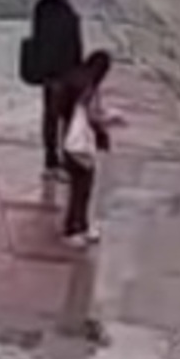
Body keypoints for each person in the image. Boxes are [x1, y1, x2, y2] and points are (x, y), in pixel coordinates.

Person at [59, 51, 112, 245]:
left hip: (68, 141)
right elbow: (91, 115)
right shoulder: (89, 87)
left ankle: (77, 226)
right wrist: (108, 124)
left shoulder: (74, 79)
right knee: (83, 188)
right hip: (81, 145)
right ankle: (75, 228)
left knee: (77, 188)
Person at [31, 0, 84, 175]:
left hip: (51, 72)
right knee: (64, 116)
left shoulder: (41, 7)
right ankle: (61, 159)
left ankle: (51, 158)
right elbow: (73, 45)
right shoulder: (63, 12)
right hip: (63, 71)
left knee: (51, 115)